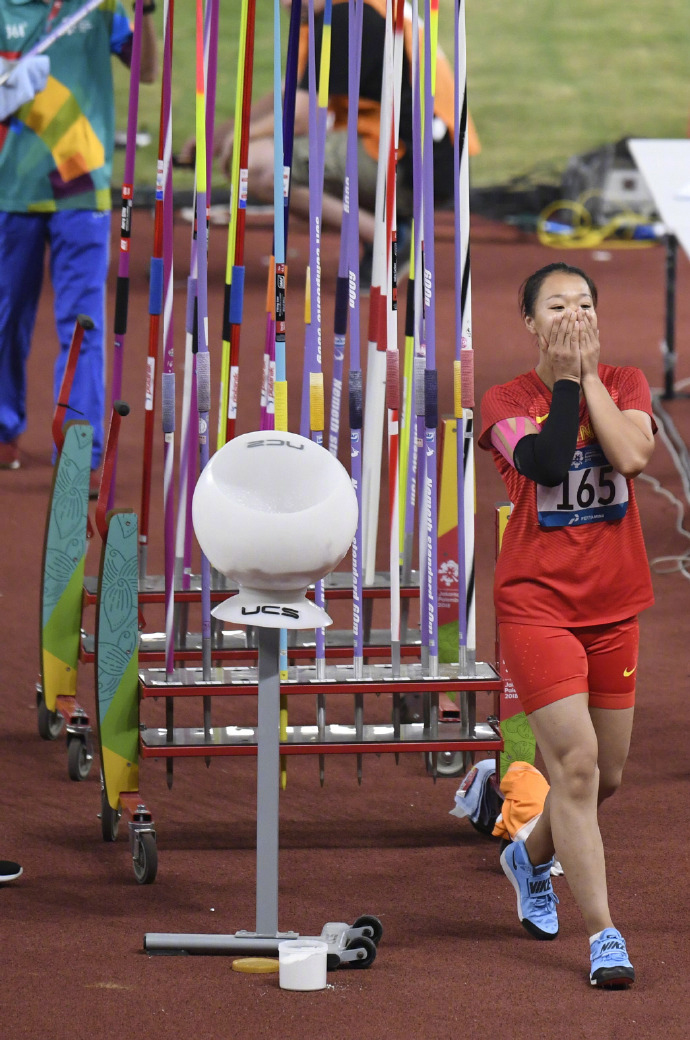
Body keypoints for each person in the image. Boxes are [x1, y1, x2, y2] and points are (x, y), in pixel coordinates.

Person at [478, 262, 656, 989]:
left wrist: (588, 381)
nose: (573, 314)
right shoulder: (504, 400)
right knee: (575, 764)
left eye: (584, 303)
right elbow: (549, 462)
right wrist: (561, 381)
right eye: (557, 306)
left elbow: (633, 454)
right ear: (530, 322)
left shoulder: (628, 383)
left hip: (614, 608)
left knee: (604, 776)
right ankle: (605, 935)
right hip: (537, 606)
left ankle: (527, 854)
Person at [206, 0, 480, 291]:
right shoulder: (356, 8)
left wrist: (241, 140)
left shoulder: (342, 17)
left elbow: (301, 118)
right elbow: (291, 91)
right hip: (430, 160)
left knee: (258, 163)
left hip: (412, 163)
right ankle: (391, 224)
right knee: (271, 151)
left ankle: (385, 238)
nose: (283, 4)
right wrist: (220, 136)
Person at [0, 0, 158, 474]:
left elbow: (147, 70)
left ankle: (78, 449)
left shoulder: (99, 7)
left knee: (83, 325)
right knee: (6, 319)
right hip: (10, 191)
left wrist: (145, 11)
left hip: (82, 192)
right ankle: (4, 427)